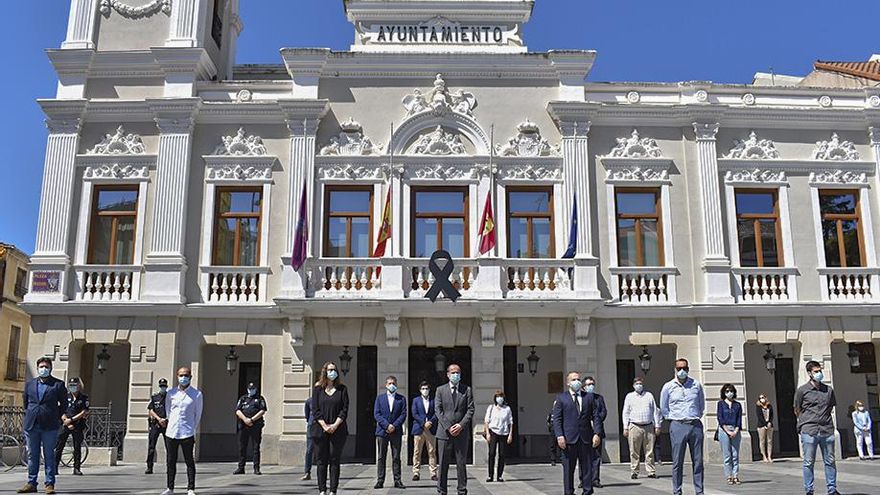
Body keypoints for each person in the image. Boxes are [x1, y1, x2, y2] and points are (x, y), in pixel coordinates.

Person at [18, 356, 66, 494]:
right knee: (32, 454)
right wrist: (31, 413)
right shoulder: (30, 384)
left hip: (50, 425)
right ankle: (31, 482)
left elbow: (64, 404)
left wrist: (58, 417)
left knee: (49, 454)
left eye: (46, 367)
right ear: (37, 368)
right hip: (32, 423)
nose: (43, 369)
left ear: (50, 368)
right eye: (41, 367)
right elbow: (26, 402)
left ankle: (49, 483)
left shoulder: (58, 385)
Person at [551, 371, 603, 495]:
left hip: (585, 438)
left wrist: (597, 433)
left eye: (578, 379)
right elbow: (557, 419)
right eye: (574, 379)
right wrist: (559, 436)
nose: (577, 381)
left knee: (587, 467)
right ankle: (569, 492)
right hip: (568, 439)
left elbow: (596, 416)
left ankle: (587, 491)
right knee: (568, 468)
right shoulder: (561, 398)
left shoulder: (588, 397)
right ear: (568, 383)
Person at [660, 358, 705, 495]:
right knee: (677, 461)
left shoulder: (696, 385)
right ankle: (677, 490)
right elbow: (664, 407)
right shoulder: (668, 386)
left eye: (684, 368)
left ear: (688, 369)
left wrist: (695, 415)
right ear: (675, 369)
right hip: (678, 424)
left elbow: (701, 404)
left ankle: (699, 491)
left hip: (695, 424)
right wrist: (672, 418)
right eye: (679, 368)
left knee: (698, 461)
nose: (682, 371)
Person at [794, 360, 840, 495]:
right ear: (809, 373)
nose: (819, 373)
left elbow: (831, 406)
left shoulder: (828, 390)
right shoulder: (802, 390)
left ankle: (832, 489)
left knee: (830, 460)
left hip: (826, 429)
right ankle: (809, 489)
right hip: (809, 429)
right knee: (808, 461)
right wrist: (805, 421)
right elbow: (797, 409)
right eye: (816, 371)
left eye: (820, 371)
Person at [162, 366, 204, 495]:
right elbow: (168, 410)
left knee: (189, 461)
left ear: (190, 377)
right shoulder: (171, 393)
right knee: (170, 461)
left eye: (186, 375)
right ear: (177, 377)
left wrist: (192, 428)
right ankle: (170, 488)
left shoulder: (196, 394)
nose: (183, 378)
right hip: (172, 432)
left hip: (187, 432)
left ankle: (190, 488)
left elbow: (198, 414)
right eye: (181, 375)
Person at [434, 363, 475, 495]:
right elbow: (438, 410)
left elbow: (470, 409)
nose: (455, 375)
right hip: (444, 433)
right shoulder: (440, 390)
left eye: (458, 372)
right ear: (447, 374)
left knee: (461, 463)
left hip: (461, 433)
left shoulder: (466, 390)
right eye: (453, 372)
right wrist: (448, 426)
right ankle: (442, 490)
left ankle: (462, 490)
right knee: (442, 463)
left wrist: (460, 425)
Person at [311, 362, 349, 495]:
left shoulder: (342, 389)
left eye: (334, 370)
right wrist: (324, 425)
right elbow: (315, 410)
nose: (332, 372)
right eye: (329, 370)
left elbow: (344, 410)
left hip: (338, 430)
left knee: (334, 459)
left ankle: (333, 490)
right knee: (321, 460)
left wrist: (334, 425)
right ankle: (322, 490)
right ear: (325, 372)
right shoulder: (317, 389)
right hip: (320, 430)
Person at [621, 377, 661, 480]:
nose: (639, 385)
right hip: (634, 425)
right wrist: (625, 427)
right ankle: (634, 471)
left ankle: (651, 471)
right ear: (634, 385)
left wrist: (657, 425)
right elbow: (626, 412)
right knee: (634, 450)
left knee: (649, 450)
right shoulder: (629, 396)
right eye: (637, 383)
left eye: (640, 383)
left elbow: (654, 411)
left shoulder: (649, 395)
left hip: (648, 425)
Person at [374, 375, 407, 489]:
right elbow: (377, 414)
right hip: (382, 431)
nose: (392, 385)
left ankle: (397, 480)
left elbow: (403, 414)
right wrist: (387, 425)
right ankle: (380, 480)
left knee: (396, 457)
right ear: (386, 385)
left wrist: (394, 425)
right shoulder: (380, 398)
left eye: (393, 383)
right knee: (381, 457)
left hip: (396, 431)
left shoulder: (401, 399)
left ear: (396, 385)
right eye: (389, 383)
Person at [54, 377, 89, 476]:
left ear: (79, 386)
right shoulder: (65, 396)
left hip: (77, 425)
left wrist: (72, 420)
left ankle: (76, 468)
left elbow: (84, 412)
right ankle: (55, 467)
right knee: (59, 446)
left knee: (77, 447)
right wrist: (66, 421)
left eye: (75, 385)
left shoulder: (83, 398)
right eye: (71, 385)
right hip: (65, 424)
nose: (73, 387)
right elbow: (60, 410)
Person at [234, 382, 267, 475]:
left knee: (255, 447)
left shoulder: (260, 399)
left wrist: (252, 420)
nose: (251, 390)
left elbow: (262, 410)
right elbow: (237, 410)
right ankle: (241, 467)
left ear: (256, 389)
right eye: (249, 388)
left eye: (253, 389)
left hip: (255, 426)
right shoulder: (243, 398)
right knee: (242, 447)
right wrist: (245, 420)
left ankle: (256, 468)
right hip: (243, 426)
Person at [483, 390, 513, 483]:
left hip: (503, 433)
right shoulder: (491, 408)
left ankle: (499, 475)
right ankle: (490, 475)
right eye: (498, 396)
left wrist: (510, 435)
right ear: (495, 398)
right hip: (493, 432)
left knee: (502, 454)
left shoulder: (507, 409)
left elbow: (510, 422)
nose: (499, 398)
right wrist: (487, 433)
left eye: (501, 396)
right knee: (491, 453)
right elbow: (486, 421)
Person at [582, 377, 606, 489]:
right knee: (583, 457)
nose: (591, 386)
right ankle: (584, 480)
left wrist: (596, 420)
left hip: (597, 431)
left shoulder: (599, 398)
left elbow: (603, 412)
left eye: (592, 384)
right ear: (583, 386)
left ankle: (595, 479)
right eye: (588, 384)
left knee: (596, 457)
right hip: (584, 432)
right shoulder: (580, 398)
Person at [411, 381, 438, 482]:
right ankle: (416, 472)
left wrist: (430, 422)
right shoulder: (416, 400)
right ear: (420, 390)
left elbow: (437, 412)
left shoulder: (434, 400)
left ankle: (433, 473)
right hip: (419, 428)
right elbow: (414, 413)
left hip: (431, 428)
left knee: (432, 451)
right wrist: (423, 423)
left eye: (426, 388)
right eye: (423, 389)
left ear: (429, 390)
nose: (425, 390)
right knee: (417, 451)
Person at [716, 384, 742, 485]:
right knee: (727, 455)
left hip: (735, 429)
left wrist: (735, 431)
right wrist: (727, 431)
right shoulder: (721, 404)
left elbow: (739, 419)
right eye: (727, 391)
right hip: (724, 430)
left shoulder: (737, 405)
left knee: (735, 455)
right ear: (724, 393)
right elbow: (720, 418)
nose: (729, 393)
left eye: (731, 391)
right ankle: (729, 476)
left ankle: (735, 475)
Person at [145, 378, 169, 474]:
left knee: (169, 447)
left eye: (164, 386)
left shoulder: (170, 398)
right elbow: (151, 410)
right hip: (155, 424)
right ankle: (149, 467)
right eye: (161, 386)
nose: (163, 388)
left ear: (166, 387)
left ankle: (169, 466)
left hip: (166, 424)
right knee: (151, 446)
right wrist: (159, 419)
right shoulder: (155, 397)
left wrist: (165, 419)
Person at [755, 394, 774, 463]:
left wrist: (769, 422)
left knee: (769, 441)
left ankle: (769, 456)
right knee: (762, 441)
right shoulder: (758, 407)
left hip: (769, 425)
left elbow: (772, 415)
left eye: (763, 397)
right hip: (761, 426)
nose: (762, 399)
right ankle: (764, 456)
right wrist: (765, 424)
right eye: (760, 398)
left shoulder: (769, 406)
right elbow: (759, 416)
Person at [301, 396, 315, 481]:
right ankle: (307, 472)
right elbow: (307, 414)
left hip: (323, 426)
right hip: (312, 426)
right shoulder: (309, 401)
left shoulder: (323, 399)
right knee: (309, 450)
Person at [547, 402, 560, 466]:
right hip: (553, 431)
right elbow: (548, 422)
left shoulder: (560, 412)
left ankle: (562, 459)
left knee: (561, 446)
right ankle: (553, 460)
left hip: (560, 431)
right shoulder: (551, 413)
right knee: (552, 446)